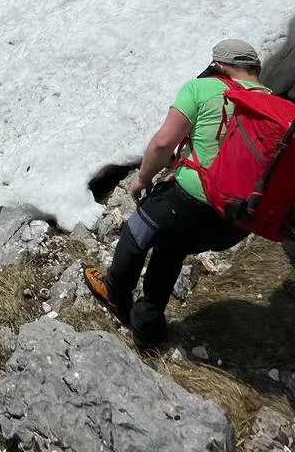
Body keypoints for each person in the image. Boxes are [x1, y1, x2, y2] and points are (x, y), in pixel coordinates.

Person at [83, 39, 270, 350]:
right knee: (172, 245)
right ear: (256, 71)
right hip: (239, 222)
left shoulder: (201, 89)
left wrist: (142, 179)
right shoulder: (279, 109)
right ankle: (146, 329)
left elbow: (162, 143)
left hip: (191, 203)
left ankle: (115, 294)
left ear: (219, 66)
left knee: (137, 232)